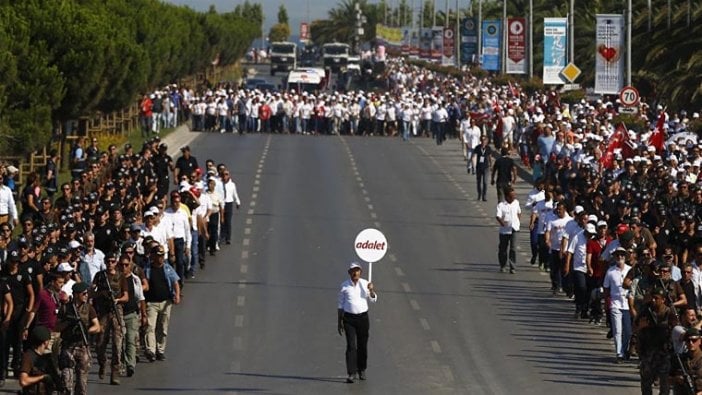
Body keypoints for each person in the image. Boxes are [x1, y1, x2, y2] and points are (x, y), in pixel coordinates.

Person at [57, 282, 101, 395]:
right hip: (68, 347)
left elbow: (97, 326)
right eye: (84, 293)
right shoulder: (66, 308)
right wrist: (68, 322)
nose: (86, 295)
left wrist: (86, 330)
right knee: (66, 383)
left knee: (82, 385)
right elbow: (56, 327)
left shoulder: (89, 308)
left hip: (82, 347)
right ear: (76, 294)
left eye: (87, 293)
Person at [337, 262, 377, 383]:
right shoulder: (344, 286)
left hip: (363, 319)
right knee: (351, 345)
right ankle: (351, 372)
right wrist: (339, 322)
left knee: (362, 345)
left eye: (357, 270)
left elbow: (373, 299)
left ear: (360, 272)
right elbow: (340, 305)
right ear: (349, 273)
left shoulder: (365, 284)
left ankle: (362, 369)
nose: (355, 273)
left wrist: (371, 291)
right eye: (353, 271)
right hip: (349, 319)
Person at [91, 253, 127, 385]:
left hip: (116, 311)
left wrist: (117, 300)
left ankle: (115, 372)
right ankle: (102, 363)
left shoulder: (121, 276)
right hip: (103, 313)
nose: (110, 263)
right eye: (108, 261)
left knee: (117, 344)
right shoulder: (100, 276)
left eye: (112, 261)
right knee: (100, 343)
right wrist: (100, 294)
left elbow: (126, 296)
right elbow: (91, 291)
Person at [143, 245, 180, 362]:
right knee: (150, 327)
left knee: (163, 328)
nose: (160, 258)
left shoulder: (167, 268)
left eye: (162, 256)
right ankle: (151, 351)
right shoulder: (147, 270)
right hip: (151, 304)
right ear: (153, 256)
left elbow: (175, 282)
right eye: (158, 256)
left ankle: (160, 350)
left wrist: (177, 295)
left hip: (165, 303)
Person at [604, 247, 633, 363]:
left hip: (627, 304)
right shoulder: (610, 271)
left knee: (628, 331)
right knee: (617, 330)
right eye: (618, 255)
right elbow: (606, 288)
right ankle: (619, 353)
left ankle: (624, 349)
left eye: (622, 255)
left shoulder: (630, 270)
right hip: (615, 304)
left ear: (625, 257)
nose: (620, 257)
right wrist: (607, 302)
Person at [119, 255, 146, 377]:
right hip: (118, 315)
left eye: (126, 265)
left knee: (130, 340)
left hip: (131, 314)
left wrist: (143, 314)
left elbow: (141, 298)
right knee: (120, 342)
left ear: (130, 265)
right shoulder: (116, 280)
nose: (124, 267)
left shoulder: (135, 280)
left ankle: (130, 364)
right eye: (122, 265)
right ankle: (121, 364)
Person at [19, 326, 59, 394]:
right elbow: (23, 381)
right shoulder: (28, 356)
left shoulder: (47, 357)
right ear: (45, 342)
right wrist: (42, 377)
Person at [495, 187, 521, 274]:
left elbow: (519, 212)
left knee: (513, 248)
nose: (513, 197)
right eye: (511, 196)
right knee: (503, 249)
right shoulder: (501, 205)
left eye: (514, 195)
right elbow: (498, 216)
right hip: (504, 231)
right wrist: (502, 223)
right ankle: (502, 265)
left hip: (514, 229)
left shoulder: (516, 203)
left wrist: (517, 221)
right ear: (506, 196)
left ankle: (512, 267)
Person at [220, 169, 241, 245]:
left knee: (228, 221)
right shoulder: (220, 184)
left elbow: (235, 194)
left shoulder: (232, 184)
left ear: (229, 175)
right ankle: (222, 236)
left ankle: (228, 238)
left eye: (226, 174)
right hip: (221, 203)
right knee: (222, 221)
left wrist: (238, 202)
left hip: (229, 203)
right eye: (223, 174)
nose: (225, 176)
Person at [473, 136, 492, 202]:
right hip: (479, 167)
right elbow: (474, 156)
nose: (484, 142)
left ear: (487, 141)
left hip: (486, 167)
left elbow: (489, 157)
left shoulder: (488, 148)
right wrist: (473, 165)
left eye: (485, 140)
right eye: (483, 140)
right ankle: (479, 194)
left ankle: (484, 196)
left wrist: (491, 165)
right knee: (478, 182)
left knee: (485, 182)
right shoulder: (477, 147)